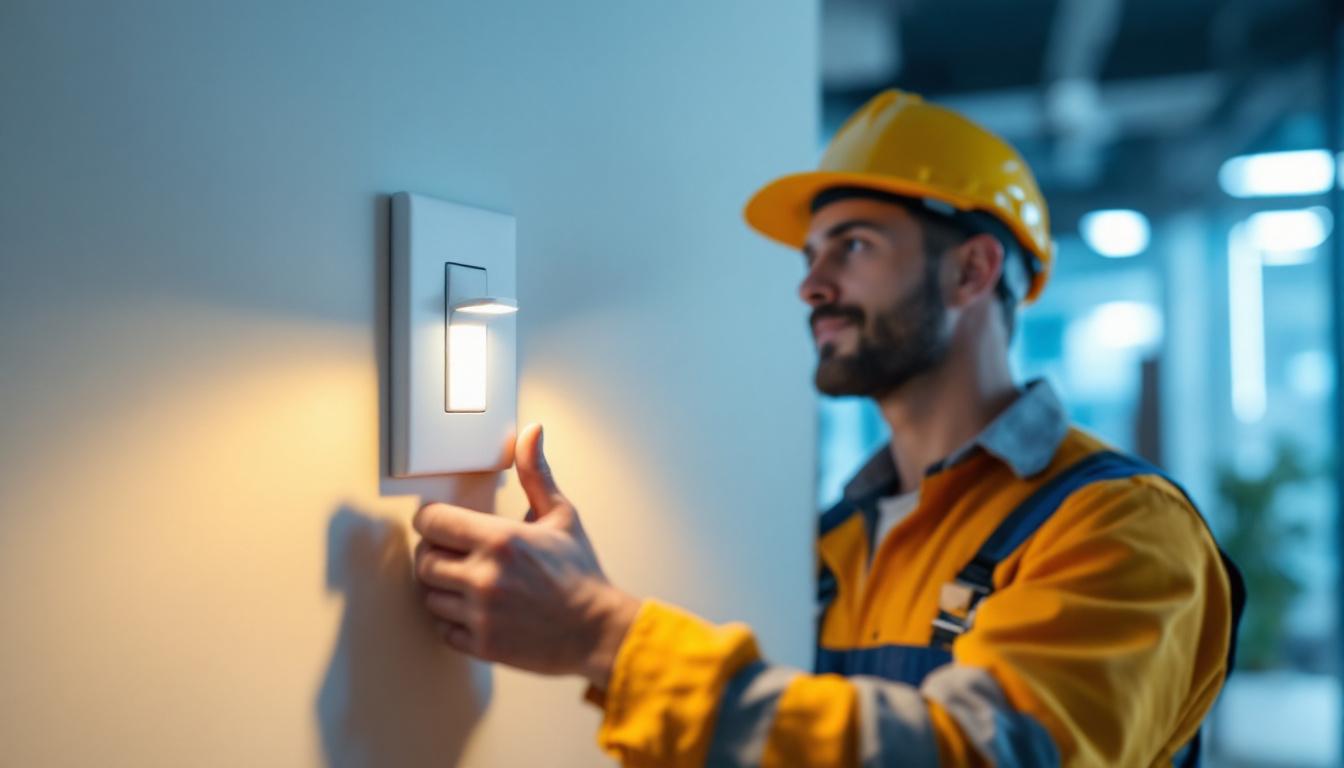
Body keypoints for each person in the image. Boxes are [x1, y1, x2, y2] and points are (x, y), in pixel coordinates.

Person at [410, 89, 1243, 766]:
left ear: (972, 269)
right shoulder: (836, 545)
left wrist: (605, 636)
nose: (811, 286)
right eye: (810, 256)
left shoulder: (1123, 528)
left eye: (854, 246)